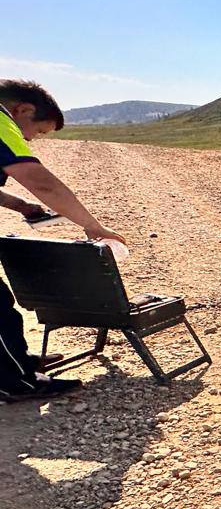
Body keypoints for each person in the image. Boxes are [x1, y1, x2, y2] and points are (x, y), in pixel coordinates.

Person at [0, 79, 124, 403]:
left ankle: (18, 364)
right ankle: (16, 383)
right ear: (22, 110)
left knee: (3, 306)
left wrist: (19, 205)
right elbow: (42, 182)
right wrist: (93, 226)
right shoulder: (1, 121)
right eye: (36, 131)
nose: (29, 139)